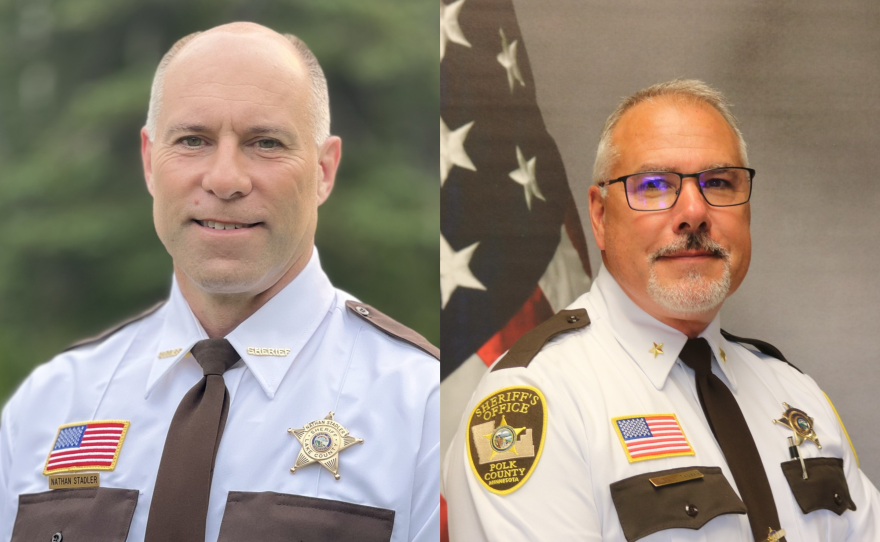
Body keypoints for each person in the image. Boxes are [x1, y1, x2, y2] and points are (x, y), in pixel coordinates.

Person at [0, 23, 439, 542]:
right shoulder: (48, 405)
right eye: (192, 140)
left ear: (323, 170)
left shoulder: (424, 412)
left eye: (266, 143)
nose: (225, 179)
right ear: (148, 161)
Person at [443, 79, 879, 541]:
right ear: (600, 215)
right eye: (653, 185)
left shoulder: (796, 393)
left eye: (718, 182)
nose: (693, 211)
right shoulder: (537, 401)